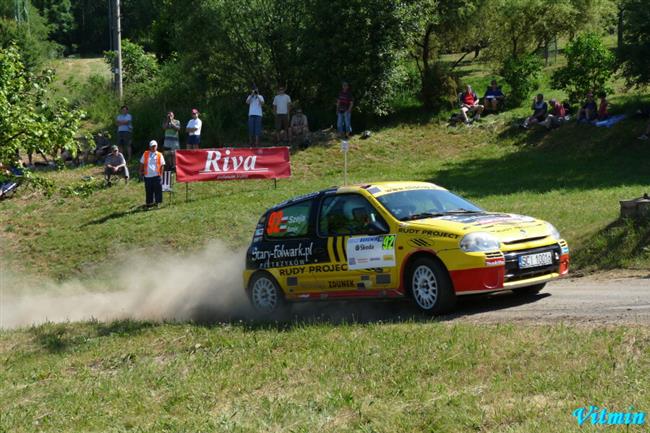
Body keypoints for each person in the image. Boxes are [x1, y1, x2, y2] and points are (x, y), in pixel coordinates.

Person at [139, 140, 166, 207]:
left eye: (154, 146)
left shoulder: (160, 154)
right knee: (148, 191)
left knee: (158, 190)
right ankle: (149, 203)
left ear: (157, 146)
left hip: (157, 175)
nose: (153, 147)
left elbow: (162, 165)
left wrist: (161, 174)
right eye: (152, 146)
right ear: (149, 147)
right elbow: (142, 163)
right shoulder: (145, 153)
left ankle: (158, 203)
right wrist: (140, 171)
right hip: (147, 176)